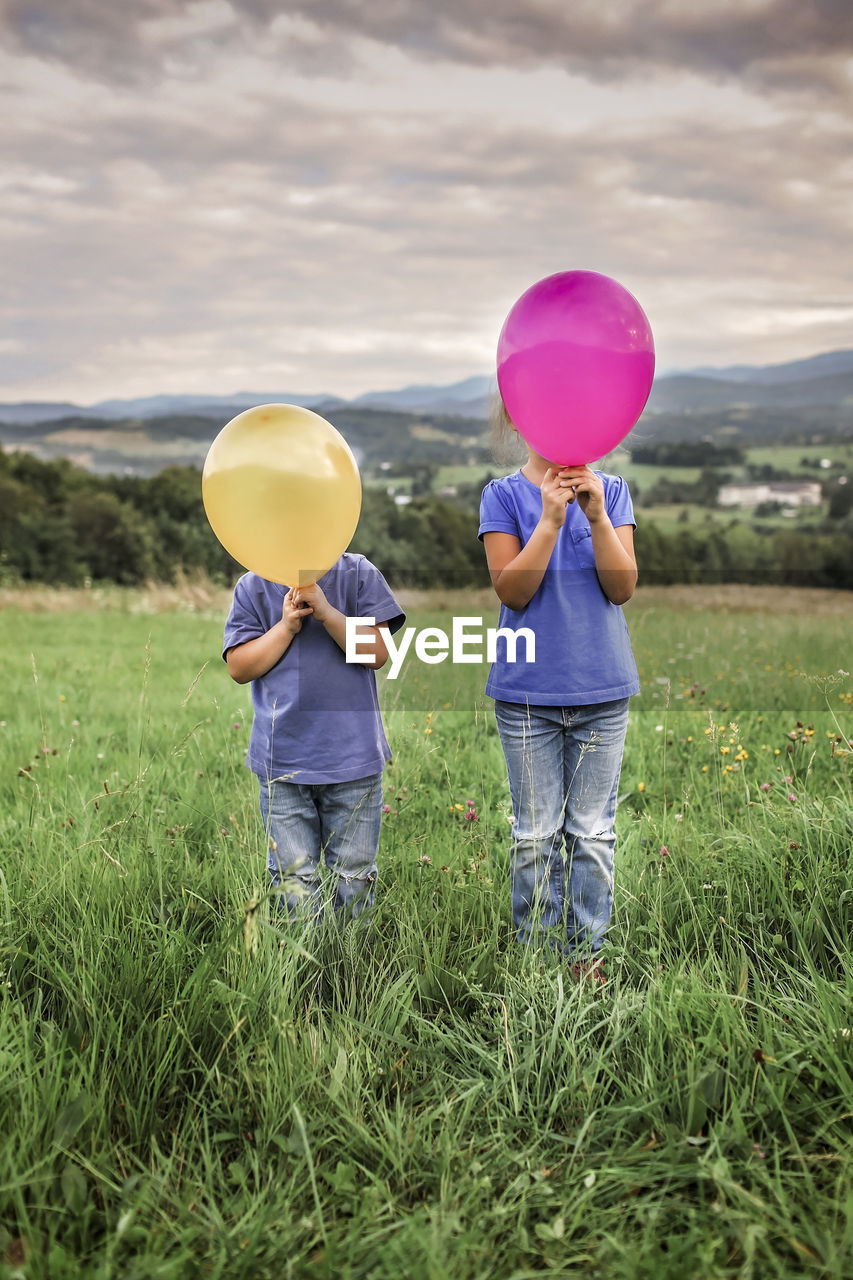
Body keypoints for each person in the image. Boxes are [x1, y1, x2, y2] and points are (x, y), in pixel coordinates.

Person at [478, 402, 640, 978]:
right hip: (527, 696)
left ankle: (587, 955)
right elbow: (513, 593)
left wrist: (595, 517)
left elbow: (621, 588)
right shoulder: (502, 497)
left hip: (602, 692)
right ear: (520, 419)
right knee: (535, 834)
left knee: (594, 833)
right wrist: (548, 520)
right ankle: (538, 959)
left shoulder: (614, 493)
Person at [223, 552, 405, 923]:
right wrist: (285, 627)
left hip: (353, 762)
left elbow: (377, 654)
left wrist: (327, 612)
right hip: (283, 765)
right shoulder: (253, 586)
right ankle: (304, 971)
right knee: (295, 880)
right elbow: (239, 667)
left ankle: (350, 969)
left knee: (354, 876)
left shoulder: (357, 573)